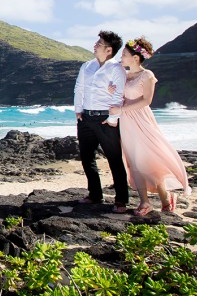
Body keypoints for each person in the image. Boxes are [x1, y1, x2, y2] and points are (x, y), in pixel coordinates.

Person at [109, 37, 190, 216]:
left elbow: (147, 100)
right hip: (126, 122)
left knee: (149, 160)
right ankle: (145, 202)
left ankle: (165, 198)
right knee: (134, 162)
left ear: (136, 58)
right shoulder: (124, 74)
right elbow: (118, 96)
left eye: (124, 54)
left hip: (141, 120)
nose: (121, 57)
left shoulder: (147, 75)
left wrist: (122, 108)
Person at [73, 31, 130, 213]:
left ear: (109, 49)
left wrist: (113, 119)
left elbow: (118, 94)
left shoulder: (116, 68)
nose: (95, 45)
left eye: (99, 43)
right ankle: (95, 194)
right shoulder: (87, 66)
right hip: (86, 117)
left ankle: (121, 200)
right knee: (87, 157)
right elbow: (79, 88)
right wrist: (78, 110)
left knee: (114, 158)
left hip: (106, 118)